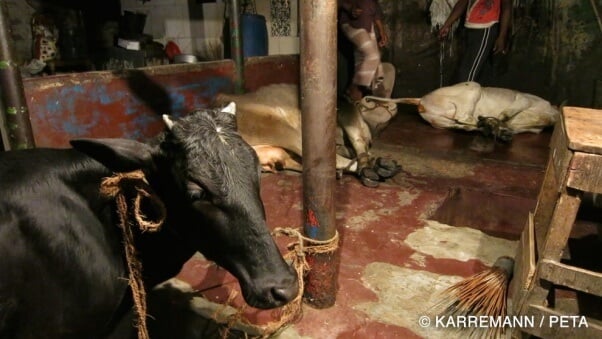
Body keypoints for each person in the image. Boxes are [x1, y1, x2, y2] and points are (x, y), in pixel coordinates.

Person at [439, 0, 511, 84]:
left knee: (466, 76)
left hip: (485, 28)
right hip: (470, 28)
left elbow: (507, 7)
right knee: (472, 70)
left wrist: (502, 36)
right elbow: (462, 3)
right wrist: (447, 24)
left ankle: (463, 95)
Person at [339, 0, 389, 102]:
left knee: (367, 59)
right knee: (372, 56)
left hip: (367, 28)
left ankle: (364, 95)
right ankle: (353, 88)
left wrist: (382, 32)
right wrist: (350, 9)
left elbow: (376, 14)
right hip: (351, 25)